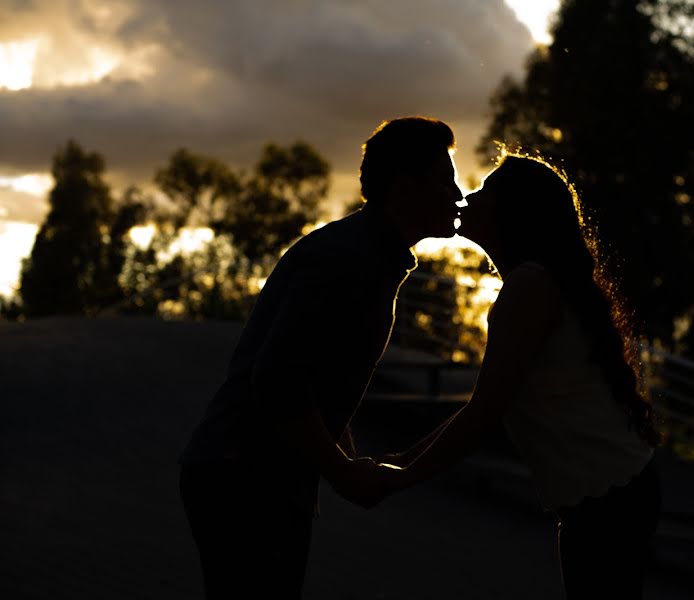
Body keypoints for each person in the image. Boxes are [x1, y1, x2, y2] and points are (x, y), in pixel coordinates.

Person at [177, 116, 463, 598]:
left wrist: (342, 458)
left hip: (254, 473)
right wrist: (342, 471)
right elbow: (277, 378)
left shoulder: (367, 253)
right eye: (444, 180)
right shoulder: (348, 259)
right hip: (243, 477)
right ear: (404, 187)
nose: (458, 195)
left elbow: (314, 378)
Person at [379, 153, 665, 599]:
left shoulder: (529, 287)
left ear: (510, 210)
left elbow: (483, 413)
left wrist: (398, 476)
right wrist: (397, 464)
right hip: (612, 494)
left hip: (607, 502)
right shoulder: (535, 283)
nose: (469, 195)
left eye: (486, 189)